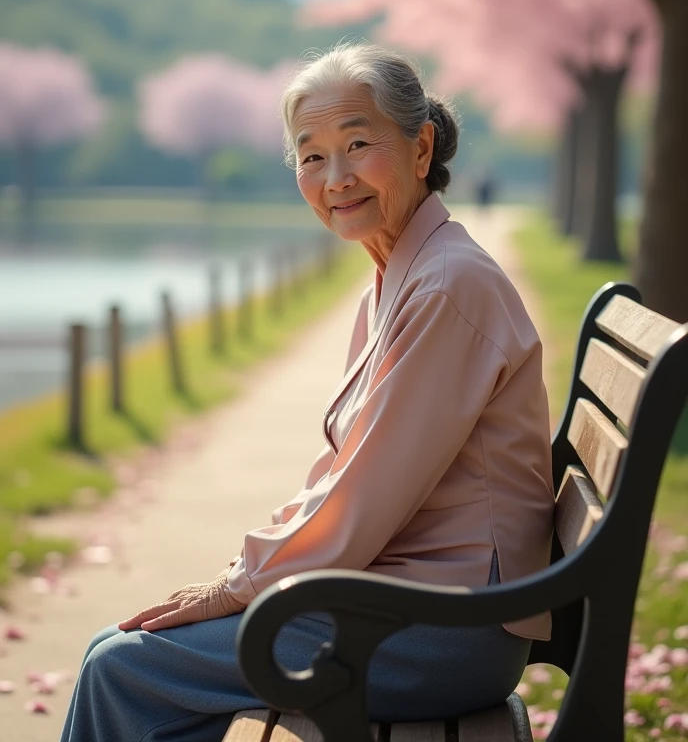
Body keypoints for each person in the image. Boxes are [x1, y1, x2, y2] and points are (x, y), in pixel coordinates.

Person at [60, 43, 554, 742]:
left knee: (122, 670)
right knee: (115, 655)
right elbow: (344, 473)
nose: (336, 177)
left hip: (446, 629)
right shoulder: (401, 275)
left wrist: (239, 589)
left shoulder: (447, 286)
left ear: (420, 149)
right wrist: (246, 571)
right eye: (311, 155)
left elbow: (364, 496)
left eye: (357, 144)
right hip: (402, 601)